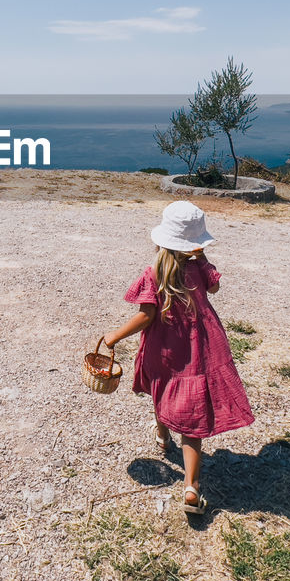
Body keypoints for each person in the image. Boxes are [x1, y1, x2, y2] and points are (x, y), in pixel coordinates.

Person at [101, 200, 255, 514]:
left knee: (163, 387)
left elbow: (146, 316)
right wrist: (202, 255)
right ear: (195, 244)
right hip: (199, 346)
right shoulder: (198, 267)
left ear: (162, 239)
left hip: (165, 346)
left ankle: (162, 436)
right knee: (191, 406)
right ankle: (191, 487)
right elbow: (214, 288)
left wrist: (114, 336)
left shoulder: (154, 271)